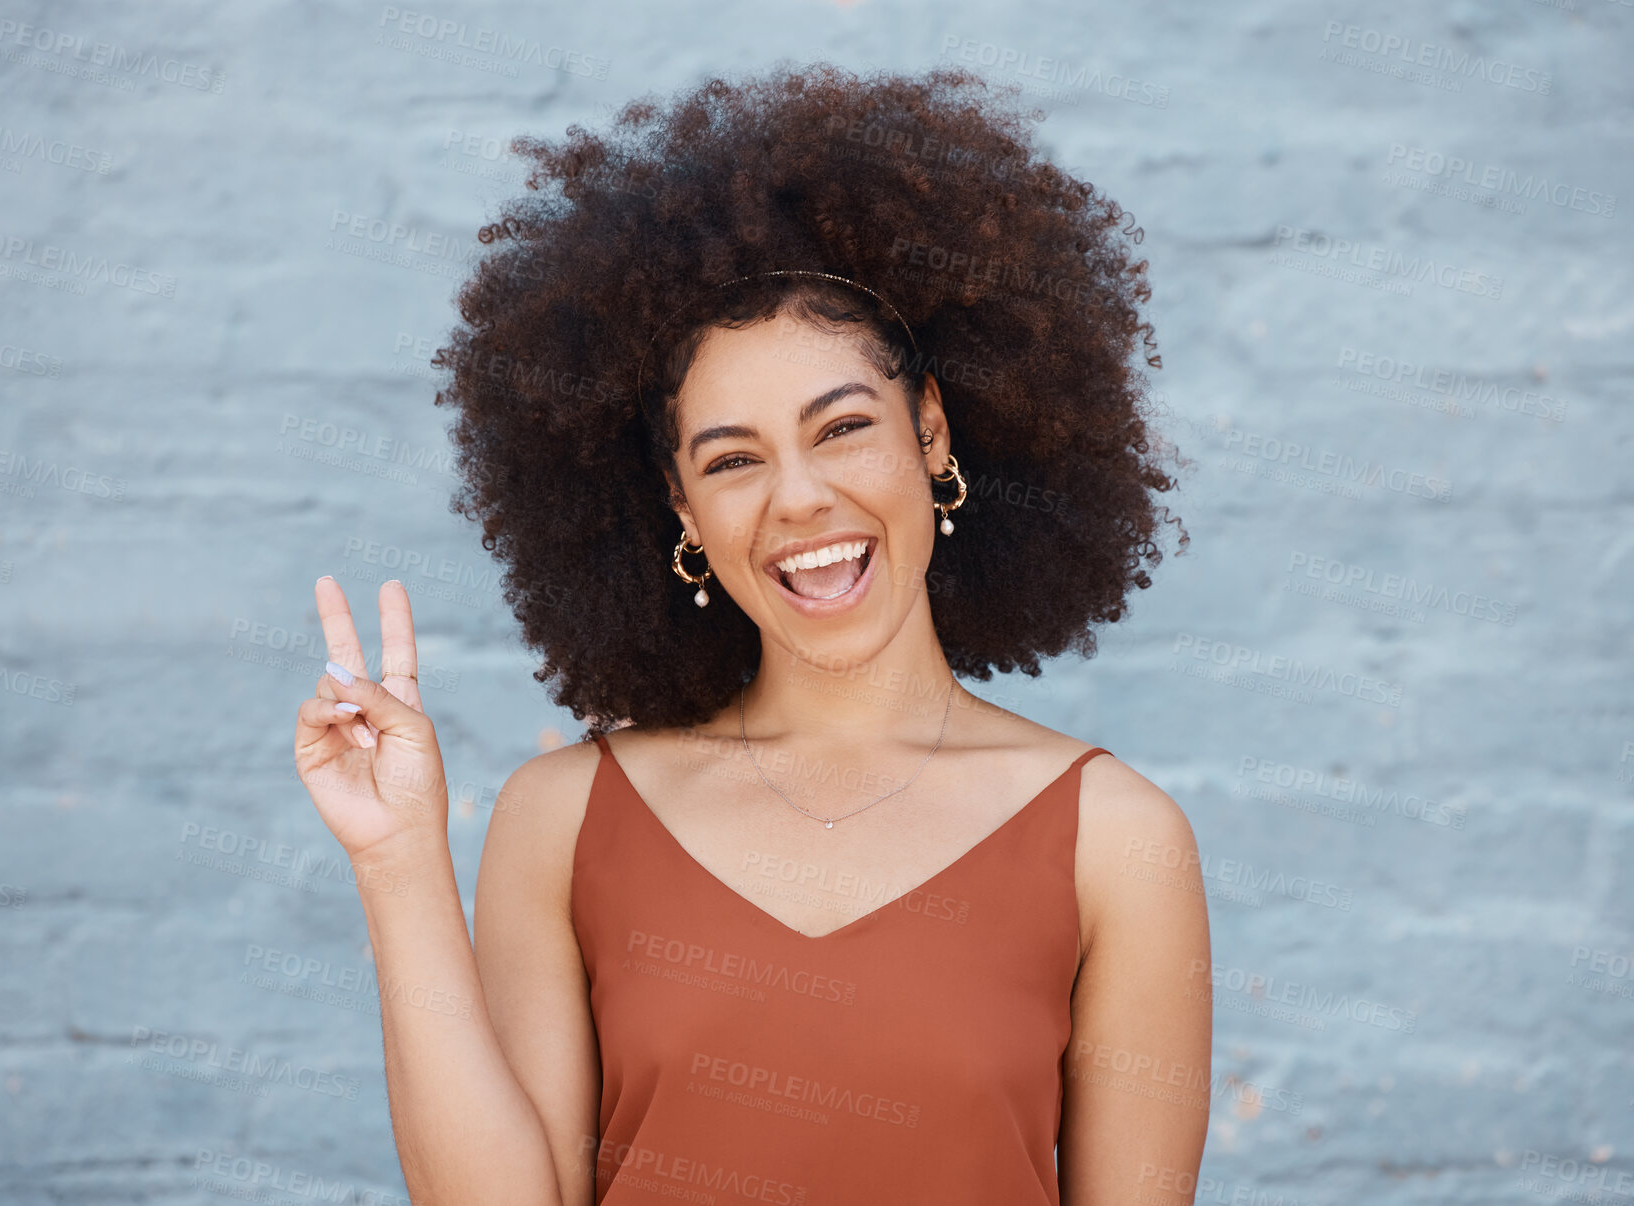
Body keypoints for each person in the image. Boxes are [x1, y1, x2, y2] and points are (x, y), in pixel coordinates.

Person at [295, 62, 1208, 1206]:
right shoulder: (568, 818)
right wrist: (396, 865)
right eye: (731, 460)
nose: (799, 500)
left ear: (931, 434)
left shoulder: (1116, 841)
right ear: (682, 509)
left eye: (842, 430)